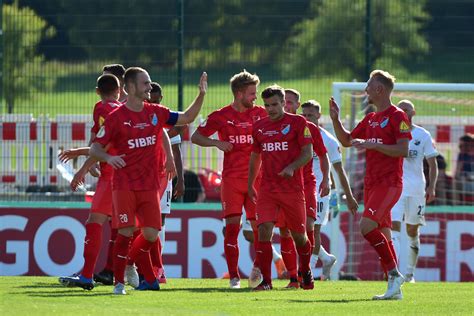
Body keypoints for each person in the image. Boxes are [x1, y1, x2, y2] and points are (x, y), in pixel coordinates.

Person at [90, 67, 207, 295]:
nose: (150, 87)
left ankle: (128, 265)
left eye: (150, 83)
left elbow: (187, 117)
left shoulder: (156, 113)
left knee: (151, 233)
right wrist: (108, 157)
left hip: (149, 187)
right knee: (125, 232)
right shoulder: (116, 118)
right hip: (123, 187)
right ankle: (119, 284)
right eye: (145, 83)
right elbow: (96, 147)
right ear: (130, 87)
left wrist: (201, 95)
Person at [330, 70, 411, 300]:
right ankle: (393, 288)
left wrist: (372, 145)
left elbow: (403, 150)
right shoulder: (371, 118)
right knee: (383, 233)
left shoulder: (397, 116)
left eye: (368, 86)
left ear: (379, 89)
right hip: (372, 184)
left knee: (366, 227)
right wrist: (336, 120)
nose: (365, 90)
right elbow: (347, 141)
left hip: (390, 183)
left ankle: (395, 274)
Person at [191, 70, 267, 289]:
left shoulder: (262, 114)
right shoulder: (221, 115)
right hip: (232, 181)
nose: (255, 96)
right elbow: (196, 136)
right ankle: (234, 277)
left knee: (260, 229)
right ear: (240, 93)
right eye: (252, 92)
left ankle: (257, 268)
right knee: (232, 228)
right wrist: (216, 143)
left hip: (257, 182)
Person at [58, 73, 122, 290]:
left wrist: (82, 169)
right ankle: (131, 276)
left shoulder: (102, 109)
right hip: (128, 175)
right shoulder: (124, 110)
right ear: (120, 90)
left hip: (111, 175)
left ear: (97, 91)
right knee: (124, 228)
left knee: (94, 222)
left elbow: (103, 145)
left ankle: (87, 276)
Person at [248, 85, 314, 291]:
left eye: (275, 104)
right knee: (263, 230)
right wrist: (250, 183)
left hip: (292, 190)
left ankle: (306, 272)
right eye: (267, 105)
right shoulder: (259, 127)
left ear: (284, 103)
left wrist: (292, 167)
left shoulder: (298, 123)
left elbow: (308, 153)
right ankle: (266, 282)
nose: (271, 109)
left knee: (299, 237)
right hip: (268, 189)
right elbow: (255, 156)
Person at [300, 100, 358, 280]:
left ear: (318, 116)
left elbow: (340, 171)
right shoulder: (298, 134)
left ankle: (306, 273)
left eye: (310, 115)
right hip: (299, 189)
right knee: (299, 229)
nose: (307, 118)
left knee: (314, 229)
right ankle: (326, 259)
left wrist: (349, 196)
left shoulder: (329, 141)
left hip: (321, 190)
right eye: (304, 115)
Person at [279, 89, 330, 289]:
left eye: (290, 102)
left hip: (306, 184)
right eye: (285, 102)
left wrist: (326, 179)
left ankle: (304, 272)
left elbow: (323, 155)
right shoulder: (273, 127)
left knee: (307, 229)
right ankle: (293, 277)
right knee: (284, 231)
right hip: (283, 185)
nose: (287, 106)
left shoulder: (309, 128)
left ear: (296, 105)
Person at [390, 100, 439, 283]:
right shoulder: (391, 133)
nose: (403, 112)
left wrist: (432, 186)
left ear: (413, 112)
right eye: (400, 109)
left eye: (406, 109)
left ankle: (409, 274)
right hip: (395, 187)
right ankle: (393, 273)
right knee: (393, 226)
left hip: (417, 189)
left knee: (411, 230)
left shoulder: (422, 135)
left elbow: (432, 163)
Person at [147, 81, 185, 283]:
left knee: (160, 222)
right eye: (149, 99)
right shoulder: (143, 120)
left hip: (166, 178)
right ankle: (142, 266)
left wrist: (181, 180)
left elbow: (177, 153)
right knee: (146, 223)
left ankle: (158, 267)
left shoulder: (165, 120)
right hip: (146, 177)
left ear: (161, 98)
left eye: (155, 99)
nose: (152, 102)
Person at [454, 134, 474, 205]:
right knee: (455, 183)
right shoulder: (461, 155)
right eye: (460, 146)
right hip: (464, 178)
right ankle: (457, 206)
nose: (460, 148)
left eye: (462, 145)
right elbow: (457, 172)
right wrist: (459, 177)